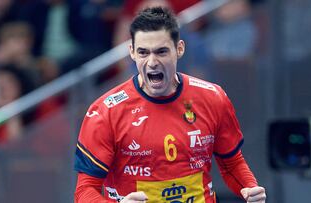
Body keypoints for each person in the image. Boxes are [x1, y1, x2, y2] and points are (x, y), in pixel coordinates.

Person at [74, 7, 266, 203]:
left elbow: (231, 164)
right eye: (143, 52)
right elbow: (84, 191)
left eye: (161, 52)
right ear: (131, 52)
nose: (152, 62)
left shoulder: (213, 97)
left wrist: (249, 188)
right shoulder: (105, 112)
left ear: (179, 49)